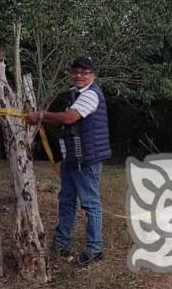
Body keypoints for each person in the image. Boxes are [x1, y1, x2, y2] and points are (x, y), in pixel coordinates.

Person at [25, 56, 112, 267]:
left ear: (93, 75)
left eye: (85, 72)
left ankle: (95, 249)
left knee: (90, 204)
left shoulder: (90, 95)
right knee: (66, 200)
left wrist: (41, 115)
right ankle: (61, 244)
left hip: (87, 160)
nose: (80, 76)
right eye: (76, 72)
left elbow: (70, 118)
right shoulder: (76, 94)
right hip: (73, 158)